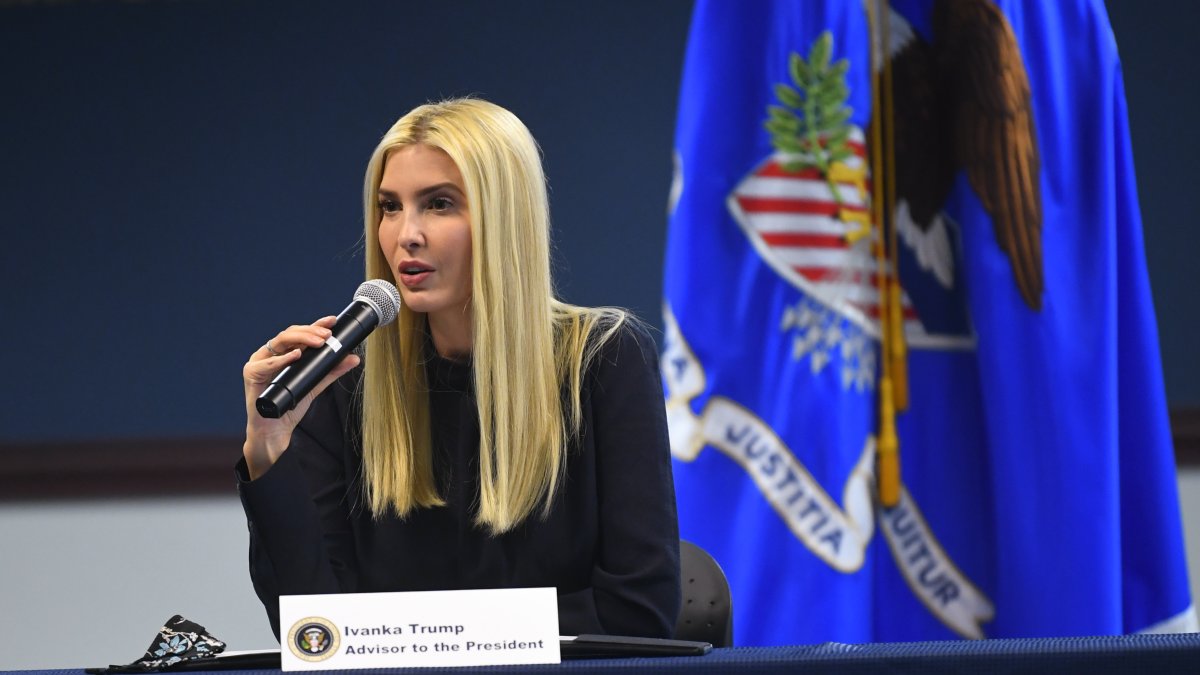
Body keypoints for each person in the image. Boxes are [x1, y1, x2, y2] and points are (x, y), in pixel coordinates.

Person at [237, 98, 681, 640]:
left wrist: (415, 636)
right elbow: (314, 632)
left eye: (439, 204)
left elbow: (637, 610)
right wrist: (268, 448)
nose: (406, 235)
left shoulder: (603, 358)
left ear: (503, 218)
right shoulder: (344, 378)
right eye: (390, 207)